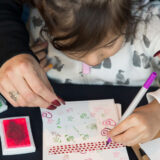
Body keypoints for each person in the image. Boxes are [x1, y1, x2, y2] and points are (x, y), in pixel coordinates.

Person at [0, 0, 160, 147]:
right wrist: (22, 54)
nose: (92, 61)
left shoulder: (151, 23)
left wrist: (156, 113)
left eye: (110, 43)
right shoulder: (43, 19)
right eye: (70, 48)